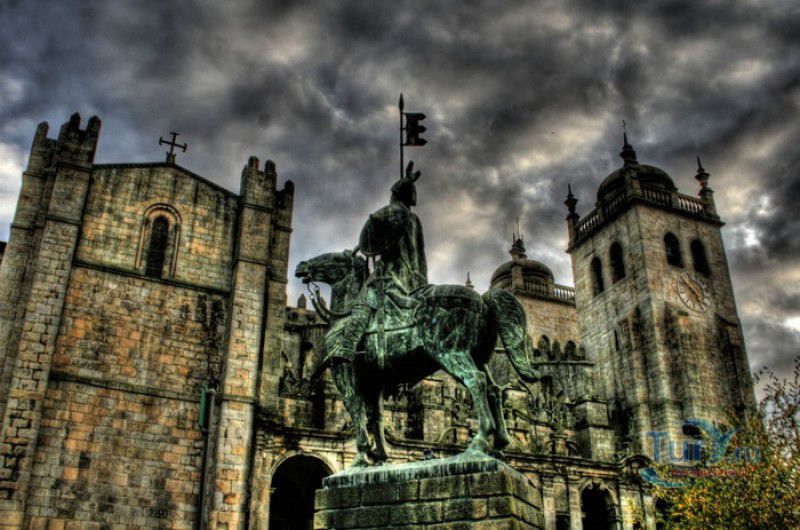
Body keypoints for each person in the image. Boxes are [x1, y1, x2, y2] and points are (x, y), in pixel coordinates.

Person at [325, 161, 428, 367]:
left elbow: (374, 235)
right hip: (415, 279)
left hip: (393, 275)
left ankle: (348, 346)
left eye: (393, 193)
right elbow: (419, 250)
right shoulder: (415, 220)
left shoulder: (392, 212)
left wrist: (356, 250)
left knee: (362, 302)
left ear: (396, 194)